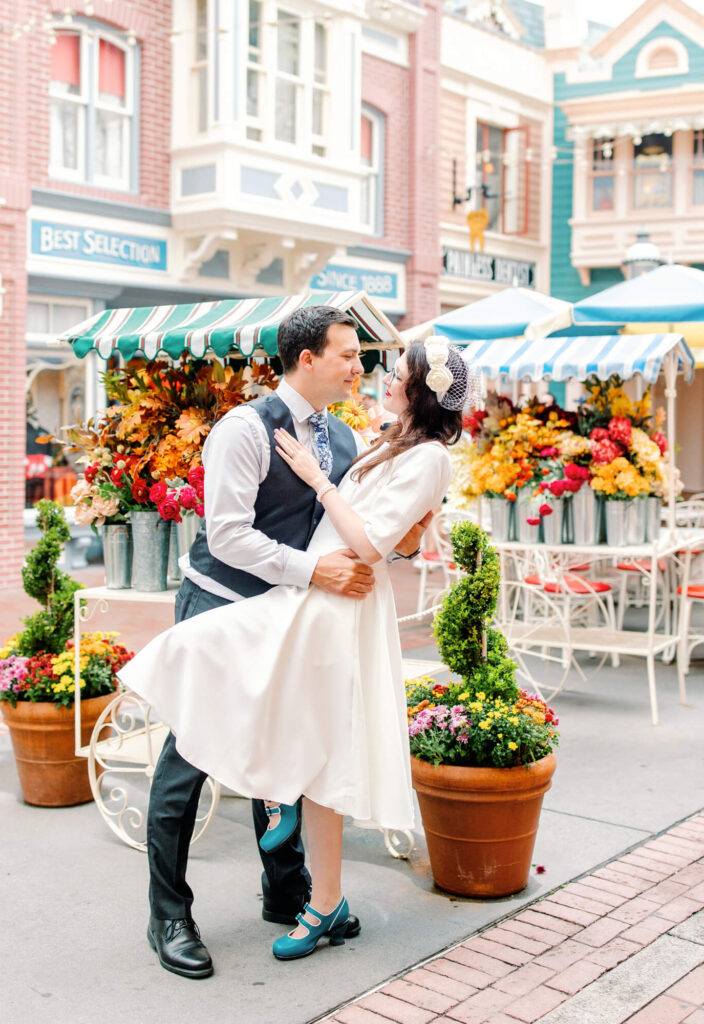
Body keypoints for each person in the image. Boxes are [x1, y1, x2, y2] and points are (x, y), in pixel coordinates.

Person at [121, 332, 469, 968]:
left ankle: (287, 890)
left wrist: (409, 542)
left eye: (370, 361)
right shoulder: (243, 427)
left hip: (305, 608)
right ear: (307, 359)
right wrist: (317, 573)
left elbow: (377, 527)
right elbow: (226, 537)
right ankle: (168, 915)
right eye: (347, 355)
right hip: (229, 598)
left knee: (293, 729)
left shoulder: (347, 438)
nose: (360, 368)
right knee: (190, 758)